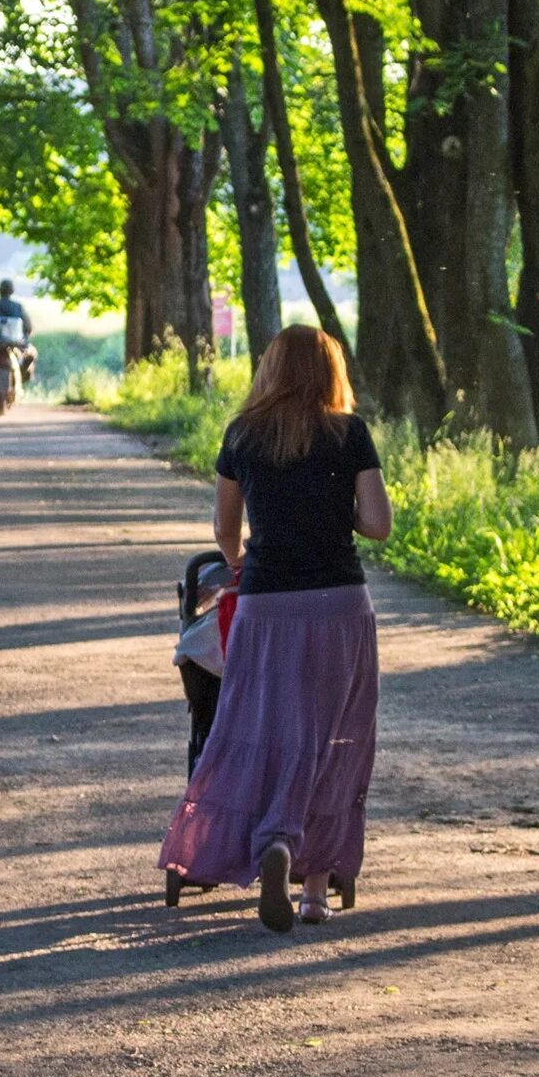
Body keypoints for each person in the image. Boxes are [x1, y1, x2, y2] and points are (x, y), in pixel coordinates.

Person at [156, 326, 389, 932]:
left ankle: (273, 839)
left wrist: (238, 562)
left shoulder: (244, 435)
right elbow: (379, 524)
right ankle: (314, 889)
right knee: (335, 735)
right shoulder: (350, 434)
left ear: (270, 369)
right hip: (340, 603)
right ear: (330, 372)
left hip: (267, 605)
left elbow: (223, 529)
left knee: (263, 727)